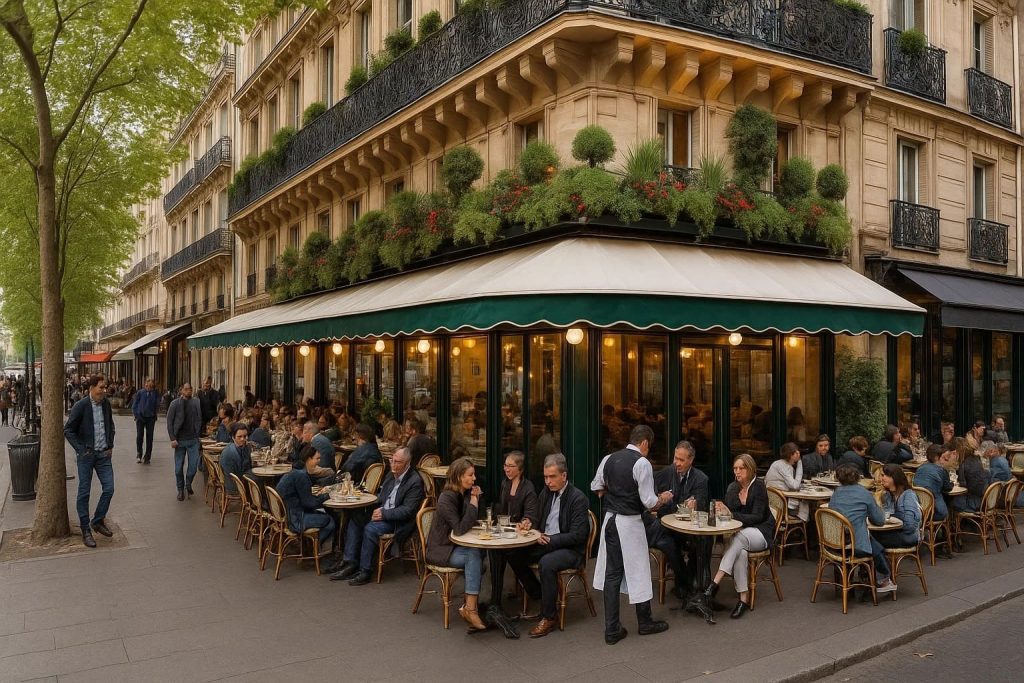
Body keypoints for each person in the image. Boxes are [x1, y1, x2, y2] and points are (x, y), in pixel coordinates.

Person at [591, 425, 671, 645]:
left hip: (610, 520)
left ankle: (612, 629)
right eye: (649, 446)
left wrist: (613, 493)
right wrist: (663, 498)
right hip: (630, 522)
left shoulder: (609, 458)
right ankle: (645, 622)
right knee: (640, 570)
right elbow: (649, 502)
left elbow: (596, 487)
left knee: (612, 573)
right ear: (645, 443)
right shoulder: (641, 463)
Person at [506, 453, 589, 638]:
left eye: (552, 477)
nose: (548, 481)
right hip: (545, 542)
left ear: (564, 476)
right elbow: (537, 518)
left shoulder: (578, 498)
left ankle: (548, 617)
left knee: (547, 562)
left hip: (570, 550)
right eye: (545, 477)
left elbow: (578, 535)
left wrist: (551, 539)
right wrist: (528, 523)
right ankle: (541, 595)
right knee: (512, 552)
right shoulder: (546, 493)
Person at [332, 447, 425, 585]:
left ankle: (365, 570)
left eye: (398, 462)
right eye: (392, 461)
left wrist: (384, 514)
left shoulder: (414, 481)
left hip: (398, 521)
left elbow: (407, 511)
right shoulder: (391, 475)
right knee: (356, 517)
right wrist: (370, 504)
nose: (393, 465)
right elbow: (382, 498)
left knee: (371, 528)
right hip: (383, 512)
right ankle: (350, 562)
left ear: (408, 463)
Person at [699, 454, 775, 619]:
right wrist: (725, 508)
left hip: (761, 533)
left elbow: (758, 517)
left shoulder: (759, 486)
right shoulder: (734, 487)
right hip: (742, 535)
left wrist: (737, 510)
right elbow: (730, 512)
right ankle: (743, 599)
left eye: (742, 468)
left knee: (738, 538)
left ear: (750, 469)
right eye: (735, 468)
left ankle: (714, 584)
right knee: (740, 552)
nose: (738, 471)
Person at [424, 457, 487, 631]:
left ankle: (468, 604)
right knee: (474, 555)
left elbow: (475, 521)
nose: (474, 479)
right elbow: (460, 529)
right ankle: (470, 609)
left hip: (455, 546)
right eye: (470, 475)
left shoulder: (464, 494)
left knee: (480, 555)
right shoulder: (446, 498)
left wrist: (475, 500)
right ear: (459, 476)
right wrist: (474, 502)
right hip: (440, 550)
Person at [649, 440, 709, 599]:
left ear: (691, 460)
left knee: (703, 541)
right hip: (666, 527)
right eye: (676, 458)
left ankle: (698, 584)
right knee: (666, 543)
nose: (677, 463)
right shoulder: (665, 473)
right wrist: (659, 498)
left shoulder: (701, 478)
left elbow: (702, 503)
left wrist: (696, 503)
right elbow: (651, 499)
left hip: (688, 528)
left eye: (681, 460)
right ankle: (686, 583)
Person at [63, 375, 116, 548]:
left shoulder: (106, 404)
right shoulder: (81, 406)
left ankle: (98, 520)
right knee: (84, 492)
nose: (104, 390)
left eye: (105, 387)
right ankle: (86, 529)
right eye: (101, 387)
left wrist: (110, 445)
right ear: (91, 388)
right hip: (87, 455)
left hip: (103, 455)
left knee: (109, 488)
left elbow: (110, 425)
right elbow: (68, 430)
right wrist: (81, 449)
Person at [828, 463, 895, 594]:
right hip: (855, 546)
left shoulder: (836, 494)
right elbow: (880, 521)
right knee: (876, 546)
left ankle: (849, 579)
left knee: (873, 543)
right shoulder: (864, 494)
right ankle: (882, 579)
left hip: (834, 542)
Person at [275, 446, 336, 547]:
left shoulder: (294, 471)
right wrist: (327, 495)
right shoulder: (301, 475)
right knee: (329, 520)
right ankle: (314, 548)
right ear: (308, 459)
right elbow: (309, 503)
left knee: (325, 516)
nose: (319, 462)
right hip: (295, 520)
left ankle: (310, 546)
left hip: (284, 515)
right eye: (317, 458)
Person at [166, 383, 203, 501]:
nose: (188, 391)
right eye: (186, 389)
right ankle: (180, 490)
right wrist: (172, 438)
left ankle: (188, 483)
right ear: (181, 390)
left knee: (193, 467)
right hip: (179, 441)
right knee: (178, 468)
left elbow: (199, 418)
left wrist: (198, 434)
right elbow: (169, 422)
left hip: (193, 439)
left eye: (190, 389)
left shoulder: (196, 402)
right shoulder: (174, 404)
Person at [874, 465, 921, 550]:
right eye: (882, 475)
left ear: (894, 477)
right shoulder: (888, 495)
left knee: (872, 539)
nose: (882, 478)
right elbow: (885, 516)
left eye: (884, 475)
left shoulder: (909, 495)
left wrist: (895, 520)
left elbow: (910, 526)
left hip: (908, 536)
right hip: (893, 532)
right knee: (869, 536)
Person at [767, 442, 807, 522]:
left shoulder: (778, 463)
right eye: (796, 452)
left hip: (775, 503)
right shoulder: (784, 466)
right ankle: (802, 522)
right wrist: (799, 463)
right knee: (806, 501)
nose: (798, 454)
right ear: (791, 455)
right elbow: (795, 485)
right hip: (783, 506)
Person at [914, 444, 954, 525]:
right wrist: (952, 483)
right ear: (937, 457)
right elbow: (948, 488)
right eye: (942, 457)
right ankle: (947, 531)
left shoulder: (920, 468)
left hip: (918, 508)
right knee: (946, 510)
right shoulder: (941, 470)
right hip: (935, 511)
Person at [954, 444, 992, 513]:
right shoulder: (977, 461)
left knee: (952, 501)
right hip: (985, 500)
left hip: (974, 502)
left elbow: (963, 486)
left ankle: (954, 522)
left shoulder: (964, 465)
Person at [131, 378, 160, 464]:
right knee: (139, 436)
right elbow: (135, 405)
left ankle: (147, 456)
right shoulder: (140, 393)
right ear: (145, 385)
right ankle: (139, 454)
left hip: (150, 418)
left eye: (151, 386)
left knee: (149, 437)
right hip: (140, 417)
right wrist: (136, 414)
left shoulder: (155, 394)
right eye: (148, 386)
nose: (149, 388)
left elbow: (157, 404)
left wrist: (155, 414)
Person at [219, 423, 253, 494]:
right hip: (234, 486)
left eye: (245, 436)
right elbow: (238, 475)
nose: (243, 439)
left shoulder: (243, 447)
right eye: (239, 436)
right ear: (233, 437)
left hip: (239, 480)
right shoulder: (230, 452)